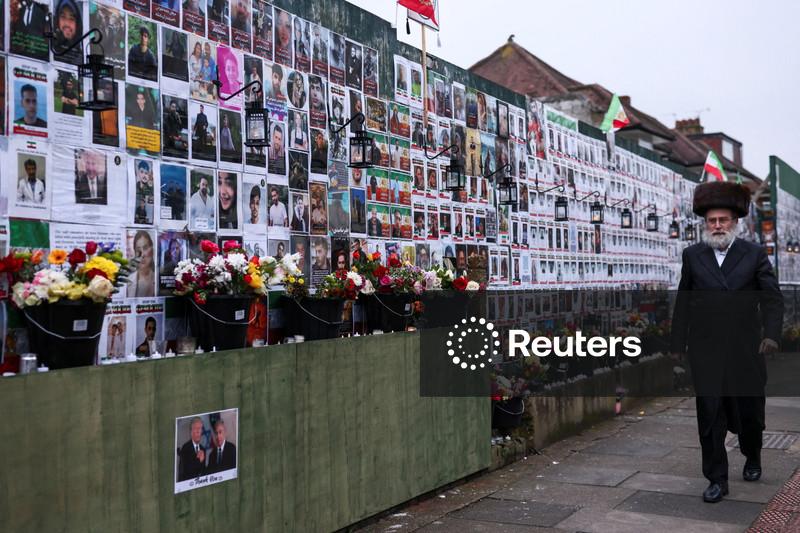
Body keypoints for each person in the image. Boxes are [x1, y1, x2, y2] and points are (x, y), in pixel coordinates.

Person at [671, 181, 783, 504]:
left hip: (745, 350)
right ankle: (716, 479)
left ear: (735, 222)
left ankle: (753, 455)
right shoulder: (693, 256)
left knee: (750, 414)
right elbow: (683, 302)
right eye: (712, 221)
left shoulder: (754, 254)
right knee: (710, 415)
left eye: (723, 220)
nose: (717, 226)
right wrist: (677, 343)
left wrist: (771, 335)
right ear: (705, 224)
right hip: (706, 351)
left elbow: (772, 299)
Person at [177, 417, 207, 481]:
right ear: (191, 432)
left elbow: (203, 471)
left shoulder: (203, 449)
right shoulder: (185, 448)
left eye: (200, 428)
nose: (198, 431)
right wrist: (199, 460)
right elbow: (187, 472)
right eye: (196, 428)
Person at [128, 231, 155, 297]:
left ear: (152, 250)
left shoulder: (158, 278)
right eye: (138, 250)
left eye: (145, 248)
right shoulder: (128, 282)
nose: (142, 255)